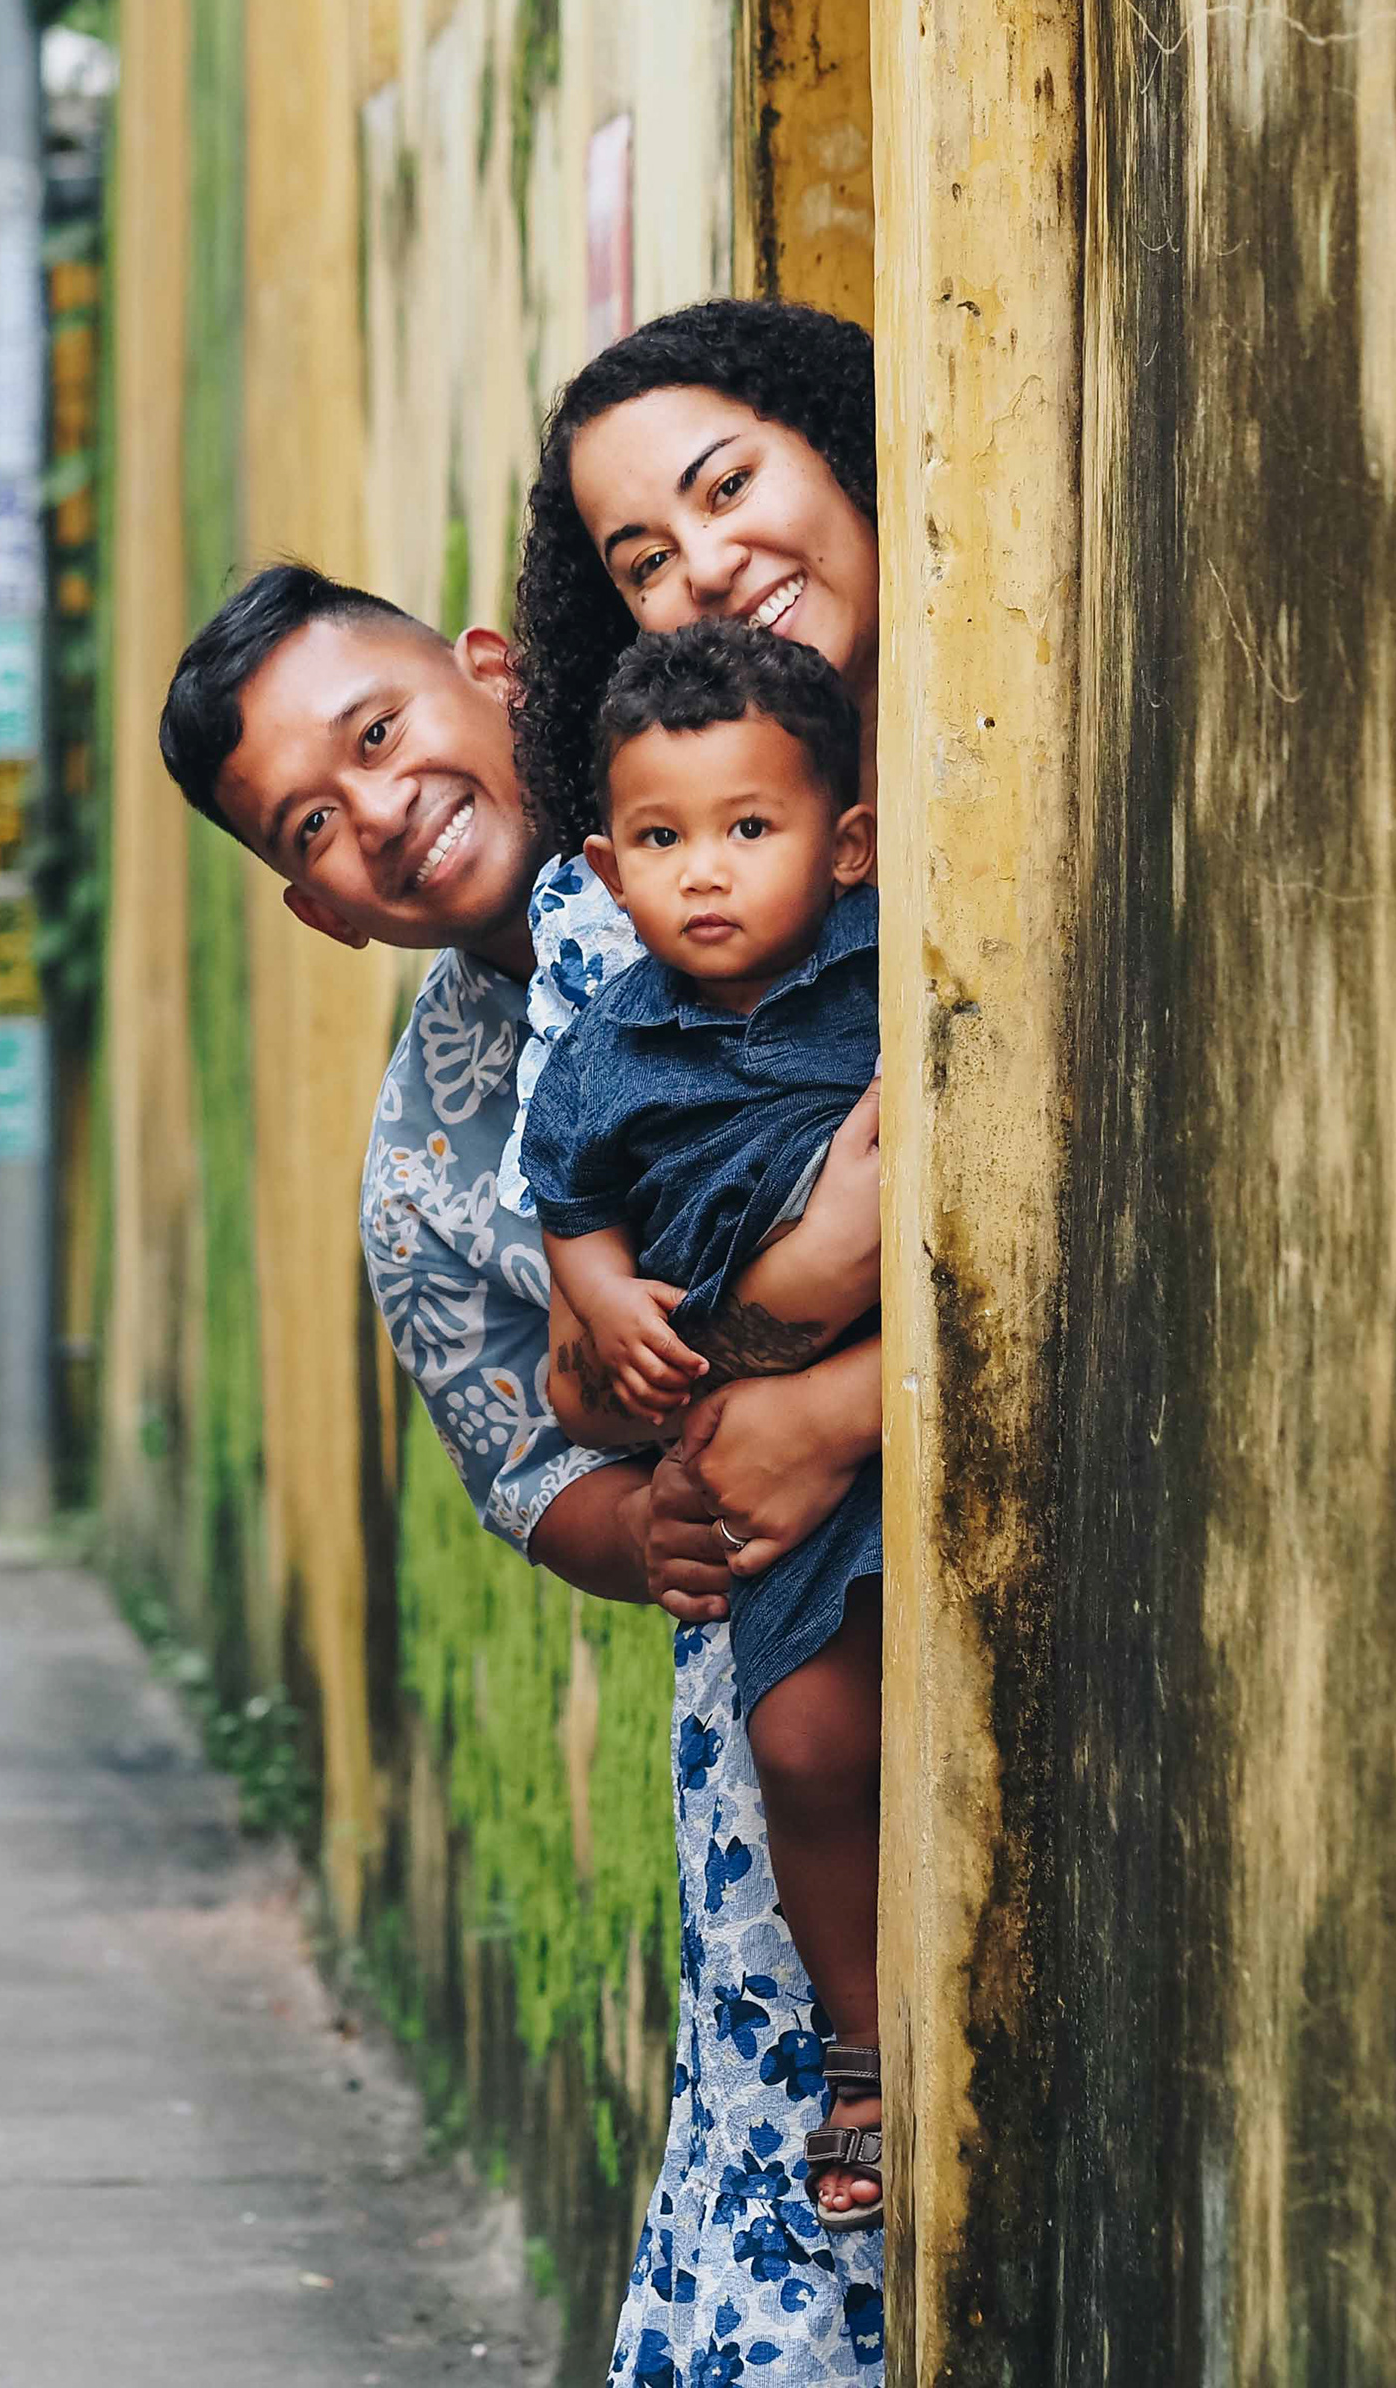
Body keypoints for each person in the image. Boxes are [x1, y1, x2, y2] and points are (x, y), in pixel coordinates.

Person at [155, 562, 889, 2386]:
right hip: (780, 1666)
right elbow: (525, 1465)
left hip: (975, 1533)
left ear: (493, 677)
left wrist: (775, 1363)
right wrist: (659, 1511)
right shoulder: (425, 1167)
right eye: (311, 825)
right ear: (314, 911)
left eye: (382, 733)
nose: (381, 815)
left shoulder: (765, 822)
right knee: (806, 2118)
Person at [518, 617, 887, 2227]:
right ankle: (864, 2051)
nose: (708, 873)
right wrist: (599, 1296)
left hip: (899, 1407)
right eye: (664, 841)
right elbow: (571, 1212)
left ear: (848, 838)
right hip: (756, 1458)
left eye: (752, 827)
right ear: (608, 868)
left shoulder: (886, 984)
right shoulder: (607, 1053)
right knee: (806, 1743)